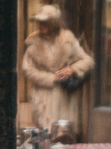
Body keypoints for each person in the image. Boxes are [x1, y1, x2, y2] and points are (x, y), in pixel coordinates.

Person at [21, 4, 94, 138]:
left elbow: (88, 61)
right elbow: (27, 70)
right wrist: (51, 78)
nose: (41, 25)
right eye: (40, 22)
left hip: (64, 97)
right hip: (43, 96)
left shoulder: (67, 39)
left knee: (64, 136)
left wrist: (72, 69)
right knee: (45, 137)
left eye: (45, 22)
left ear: (54, 23)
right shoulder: (33, 42)